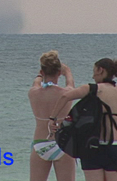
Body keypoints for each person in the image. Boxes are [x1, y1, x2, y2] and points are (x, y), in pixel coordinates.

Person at [49, 58, 117, 181]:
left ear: (100, 70)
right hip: (115, 147)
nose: (93, 76)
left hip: (92, 147)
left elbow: (65, 96)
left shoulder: (91, 89)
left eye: (94, 71)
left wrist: (52, 118)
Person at [28, 50, 76, 181]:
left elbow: (36, 83)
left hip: (40, 143)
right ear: (59, 73)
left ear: (43, 72)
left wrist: (39, 75)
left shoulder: (33, 93)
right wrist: (68, 72)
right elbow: (70, 84)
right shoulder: (66, 93)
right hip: (62, 144)